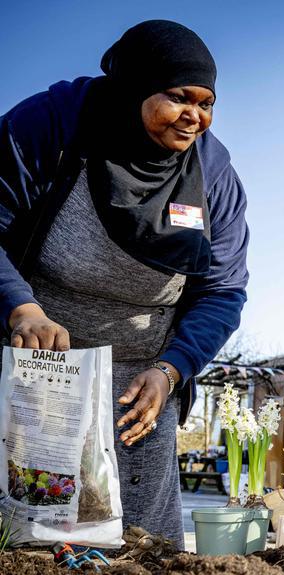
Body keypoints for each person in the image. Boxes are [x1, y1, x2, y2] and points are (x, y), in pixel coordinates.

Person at [0, 20, 250, 546]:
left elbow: (224, 290)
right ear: (135, 85)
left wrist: (172, 368)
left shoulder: (215, 177)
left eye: (207, 103)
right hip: (34, 366)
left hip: (139, 386)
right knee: (29, 540)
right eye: (179, 97)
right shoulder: (52, 127)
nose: (195, 117)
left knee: (141, 552)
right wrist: (21, 307)